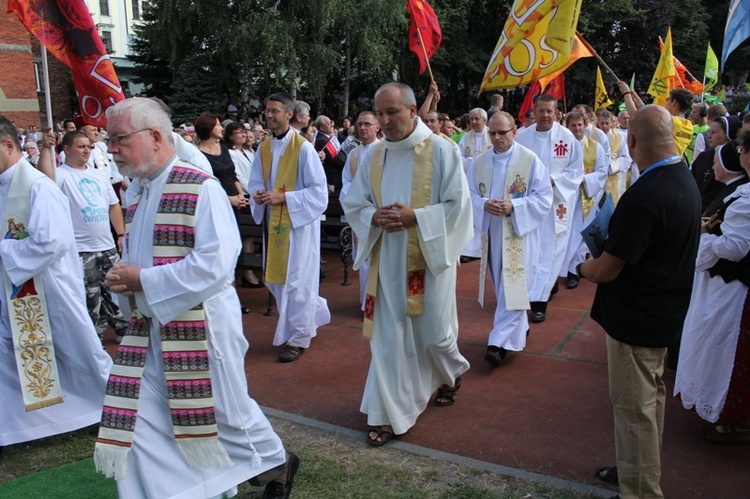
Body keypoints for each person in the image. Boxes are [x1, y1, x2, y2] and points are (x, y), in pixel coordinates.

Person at [94, 97, 298, 498]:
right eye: (109, 140)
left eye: (118, 139)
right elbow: (139, 254)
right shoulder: (138, 191)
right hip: (151, 325)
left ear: (154, 136)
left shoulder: (199, 187)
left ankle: (276, 462)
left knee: (228, 414)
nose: (111, 149)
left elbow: (216, 265)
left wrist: (144, 280)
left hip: (201, 326)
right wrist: (125, 277)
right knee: (143, 416)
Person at [578, 105, 701, 499]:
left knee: (634, 411)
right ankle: (635, 468)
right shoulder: (683, 177)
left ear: (630, 141)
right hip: (663, 311)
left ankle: (641, 490)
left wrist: (583, 268)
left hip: (636, 318)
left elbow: (608, 269)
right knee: (648, 404)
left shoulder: (645, 194)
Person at [341, 82, 472, 446]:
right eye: (379, 114)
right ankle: (388, 416)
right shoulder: (374, 156)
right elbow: (355, 202)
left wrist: (419, 217)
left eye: (392, 112)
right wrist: (372, 216)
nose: (384, 121)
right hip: (386, 260)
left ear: (413, 111)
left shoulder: (443, 151)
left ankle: (450, 372)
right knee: (387, 340)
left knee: (435, 335)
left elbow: (459, 207)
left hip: (429, 259)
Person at [0, 116, 112, 452]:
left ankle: (115, 403)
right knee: (14, 353)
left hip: (50, 289)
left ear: (8, 145)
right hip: (17, 288)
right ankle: (22, 423)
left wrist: (3, 248)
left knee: (78, 354)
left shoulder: (36, 186)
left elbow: (51, 242)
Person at [674, 131, 750, 444]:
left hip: (733, 290)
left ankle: (732, 417)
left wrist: (702, 236)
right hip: (725, 284)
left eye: (743, 148)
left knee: (728, 352)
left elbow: (735, 246)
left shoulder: (746, 199)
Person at [248, 93, 331, 363]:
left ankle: (299, 337)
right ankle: (311, 314)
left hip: (298, 226)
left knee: (298, 282)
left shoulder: (303, 148)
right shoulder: (264, 147)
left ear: (289, 114)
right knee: (277, 280)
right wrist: (259, 194)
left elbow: (319, 193)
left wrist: (284, 197)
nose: (269, 115)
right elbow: (256, 181)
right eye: (267, 110)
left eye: (275, 111)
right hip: (275, 224)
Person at [469, 111, 552, 366]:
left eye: (502, 132)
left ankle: (498, 342)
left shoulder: (530, 161)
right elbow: (468, 196)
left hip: (518, 233)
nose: (496, 138)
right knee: (503, 286)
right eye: (492, 133)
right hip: (493, 233)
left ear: (514, 132)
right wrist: (484, 204)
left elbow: (543, 197)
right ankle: (519, 326)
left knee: (515, 286)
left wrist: (514, 207)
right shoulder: (478, 162)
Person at [38, 130, 129, 344]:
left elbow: (113, 205)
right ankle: (94, 339)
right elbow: (45, 179)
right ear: (67, 149)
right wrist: (44, 149)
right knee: (91, 295)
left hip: (106, 244)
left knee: (117, 290)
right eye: (81, 146)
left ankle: (122, 327)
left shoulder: (99, 175)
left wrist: (121, 234)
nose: (86, 150)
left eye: (89, 146)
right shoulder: (61, 174)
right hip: (80, 248)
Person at [515, 94, 583, 323]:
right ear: (534, 111)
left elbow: (576, 170)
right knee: (530, 251)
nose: (544, 115)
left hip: (556, 205)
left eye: (549, 111)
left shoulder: (567, 138)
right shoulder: (522, 137)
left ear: (556, 113)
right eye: (541, 111)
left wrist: (554, 180)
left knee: (550, 252)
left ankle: (539, 302)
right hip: (530, 204)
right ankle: (539, 289)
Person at [560, 112, 608, 289]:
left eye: (580, 125)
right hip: (567, 196)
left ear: (586, 125)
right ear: (567, 126)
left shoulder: (596, 147)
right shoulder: (562, 146)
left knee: (581, 234)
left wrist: (585, 180)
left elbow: (603, 171)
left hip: (586, 195)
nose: (577, 128)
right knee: (566, 232)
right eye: (573, 125)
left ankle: (574, 269)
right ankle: (561, 268)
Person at [340, 111, 381, 310]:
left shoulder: (385, 150)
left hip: (379, 212)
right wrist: (355, 199)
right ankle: (367, 303)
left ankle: (380, 303)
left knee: (380, 259)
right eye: (360, 124)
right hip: (361, 213)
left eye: (367, 124)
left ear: (377, 127)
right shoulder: (354, 154)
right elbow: (346, 181)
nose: (362, 128)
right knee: (364, 258)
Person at [618, 82, 694, 156]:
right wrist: (635, 97)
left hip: (661, 165)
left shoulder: (669, 120)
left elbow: (635, 115)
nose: (666, 102)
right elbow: (647, 112)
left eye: (668, 99)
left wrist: (626, 93)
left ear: (674, 102)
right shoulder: (689, 125)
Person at [458, 108, 492, 262]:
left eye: (477, 119)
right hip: (472, 180)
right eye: (471, 119)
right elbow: (459, 158)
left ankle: (490, 246)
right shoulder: (465, 139)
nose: (474, 122)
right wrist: (472, 162)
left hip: (490, 179)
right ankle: (472, 251)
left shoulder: (493, 134)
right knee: (473, 212)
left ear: (484, 120)